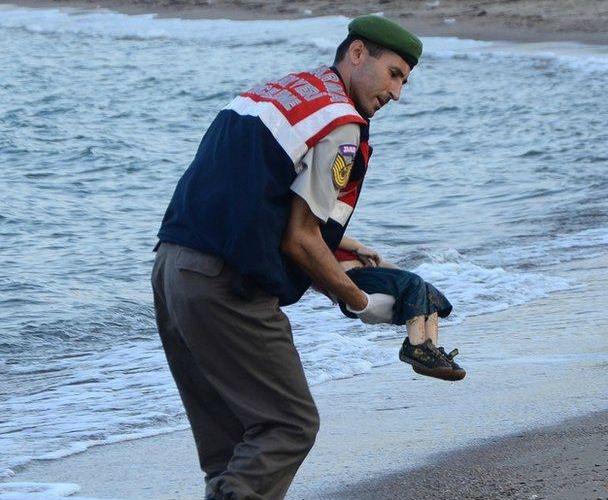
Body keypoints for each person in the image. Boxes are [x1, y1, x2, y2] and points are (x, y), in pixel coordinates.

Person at [150, 15, 425, 500]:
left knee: (231, 449)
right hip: (225, 287)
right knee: (289, 425)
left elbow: (255, 194)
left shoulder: (282, 91)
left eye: (404, 79)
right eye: (395, 73)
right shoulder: (341, 122)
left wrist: (339, 245)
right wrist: (360, 302)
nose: (397, 93)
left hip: (173, 269)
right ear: (357, 54)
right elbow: (298, 240)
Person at [334, 235, 465, 381]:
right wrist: (358, 247)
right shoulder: (324, 237)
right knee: (414, 282)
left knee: (426, 289)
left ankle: (431, 353)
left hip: (370, 276)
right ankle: (415, 348)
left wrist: (413, 284)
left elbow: (397, 273)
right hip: (351, 278)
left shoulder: (360, 254)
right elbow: (329, 233)